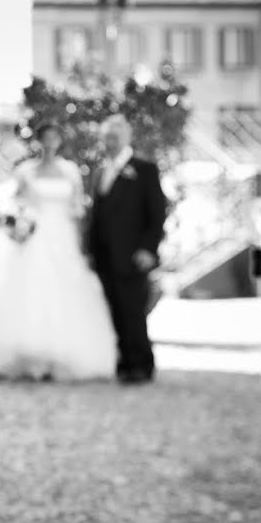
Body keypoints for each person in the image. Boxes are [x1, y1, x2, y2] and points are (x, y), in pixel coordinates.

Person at [0, 121, 116, 381]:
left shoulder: (70, 171)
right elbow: (14, 203)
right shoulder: (26, 171)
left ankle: (60, 356)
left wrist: (81, 244)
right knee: (28, 291)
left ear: (59, 141)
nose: (50, 142)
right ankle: (24, 355)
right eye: (46, 137)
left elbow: (77, 209)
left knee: (63, 294)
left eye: (54, 137)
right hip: (33, 236)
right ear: (39, 141)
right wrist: (18, 224)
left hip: (62, 238)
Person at [87, 114, 167, 384]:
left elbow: (156, 214)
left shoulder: (144, 170)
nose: (109, 142)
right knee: (115, 311)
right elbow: (97, 216)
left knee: (134, 311)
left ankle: (142, 364)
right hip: (105, 257)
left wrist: (148, 249)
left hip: (133, 256)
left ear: (126, 138)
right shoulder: (100, 172)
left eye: (115, 137)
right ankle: (124, 362)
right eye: (106, 137)